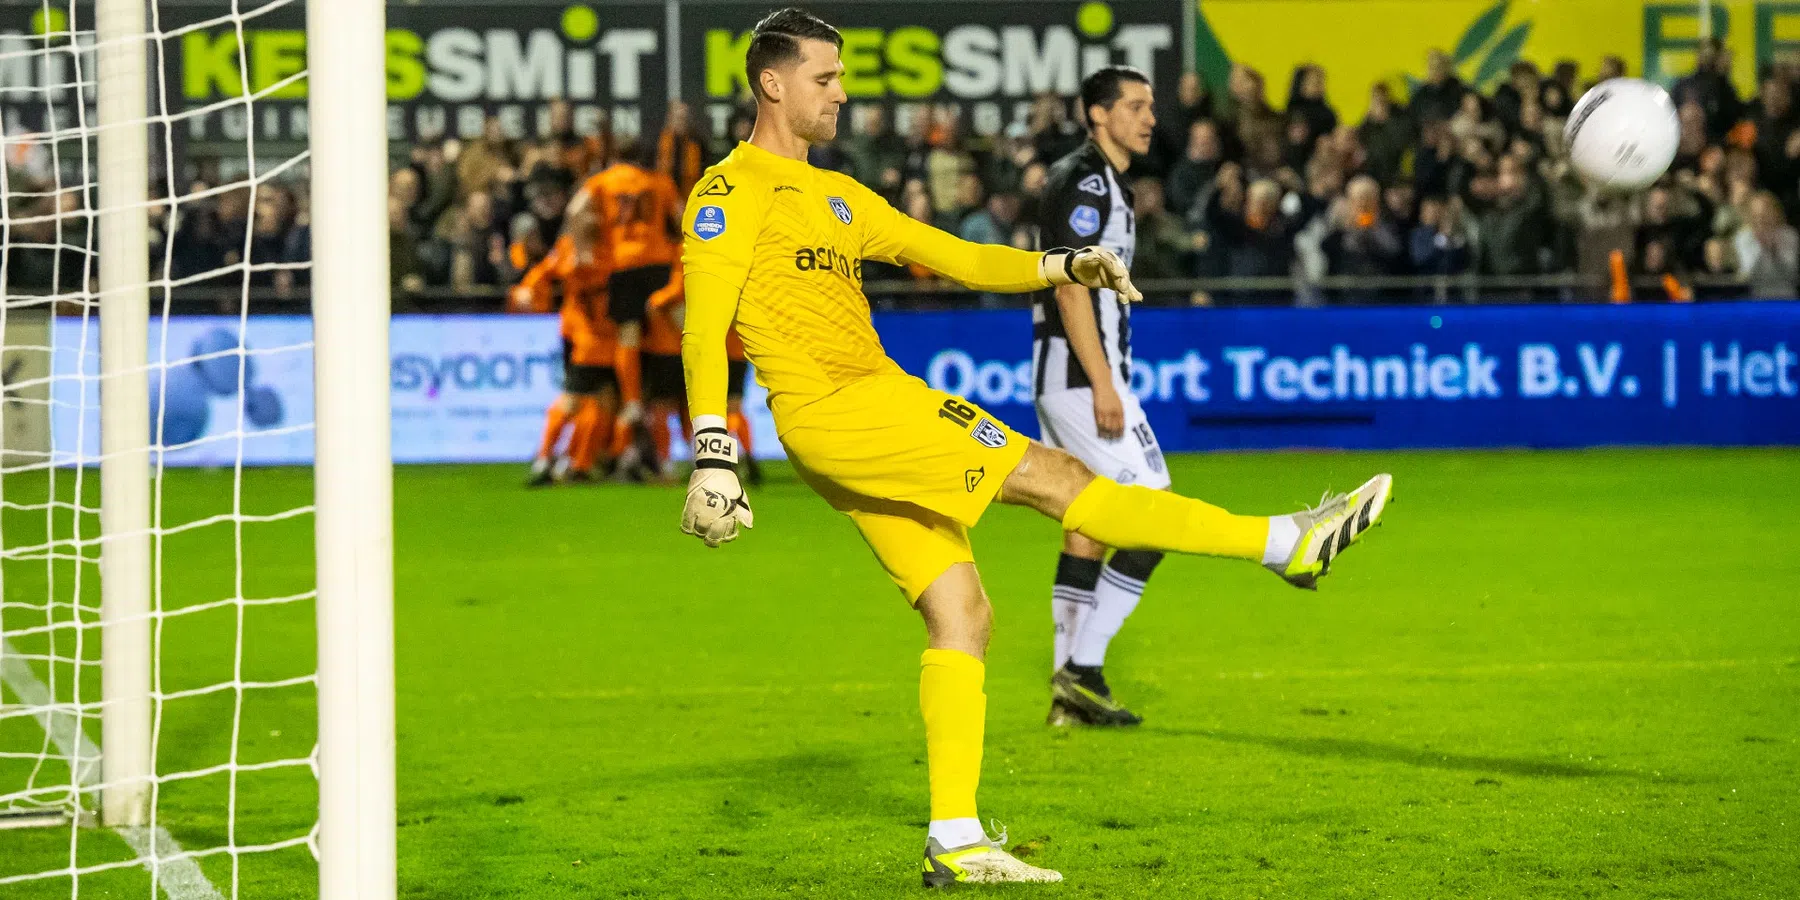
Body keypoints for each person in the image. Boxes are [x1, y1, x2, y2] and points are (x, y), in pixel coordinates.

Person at [676, 9, 1392, 887]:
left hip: (863, 408)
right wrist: (712, 448)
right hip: (842, 409)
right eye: (826, 78)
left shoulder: (837, 194)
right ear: (773, 83)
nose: (842, 92)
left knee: (963, 617)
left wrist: (1064, 265)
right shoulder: (728, 191)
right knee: (1061, 479)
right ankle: (1287, 544)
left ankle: (956, 840)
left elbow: (959, 257)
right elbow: (702, 331)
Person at [1031, 65, 1172, 730]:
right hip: (1082, 379)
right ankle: (1082, 668)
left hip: (1073, 375)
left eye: (1151, 106)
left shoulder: (1110, 182)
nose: (1149, 117)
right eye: (1136, 106)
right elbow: (1072, 287)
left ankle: (1069, 701)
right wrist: (1104, 383)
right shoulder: (1086, 180)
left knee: (1087, 526)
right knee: (1154, 515)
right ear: (1099, 114)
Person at [566, 137, 685, 468]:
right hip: (658, 260)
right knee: (679, 329)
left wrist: (581, 248)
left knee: (628, 335)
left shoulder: (604, 181)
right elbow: (683, 216)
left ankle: (632, 400)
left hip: (624, 263)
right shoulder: (659, 182)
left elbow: (574, 210)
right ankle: (697, 385)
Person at [518, 237, 618, 485]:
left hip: (594, 337)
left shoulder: (574, 247)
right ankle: (553, 460)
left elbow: (546, 271)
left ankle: (574, 462)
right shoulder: (599, 248)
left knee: (601, 401)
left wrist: (530, 289)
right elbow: (548, 271)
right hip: (587, 339)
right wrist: (531, 289)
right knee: (578, 400)